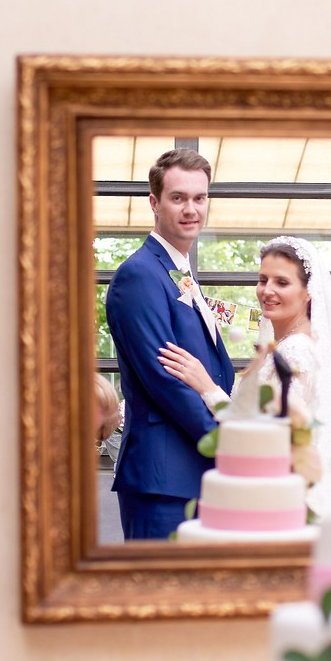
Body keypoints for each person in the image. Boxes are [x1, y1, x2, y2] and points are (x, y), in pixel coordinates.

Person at [158, 236, 331, 515]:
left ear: (308, 291)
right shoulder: (281, 347)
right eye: (263, 280)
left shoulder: (297, 352)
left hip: (282, 498)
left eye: (282, 282)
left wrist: (207, 387)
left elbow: (268, 436)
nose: (267, 291)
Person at [105, 149, 235, 539]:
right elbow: (166, 380)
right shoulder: (140, 275)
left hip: (193, 476)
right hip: (163, 480)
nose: (191, 209)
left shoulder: (178, 272)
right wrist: (226, 442)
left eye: (200, 198)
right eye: (178, 198)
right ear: (154, 203)